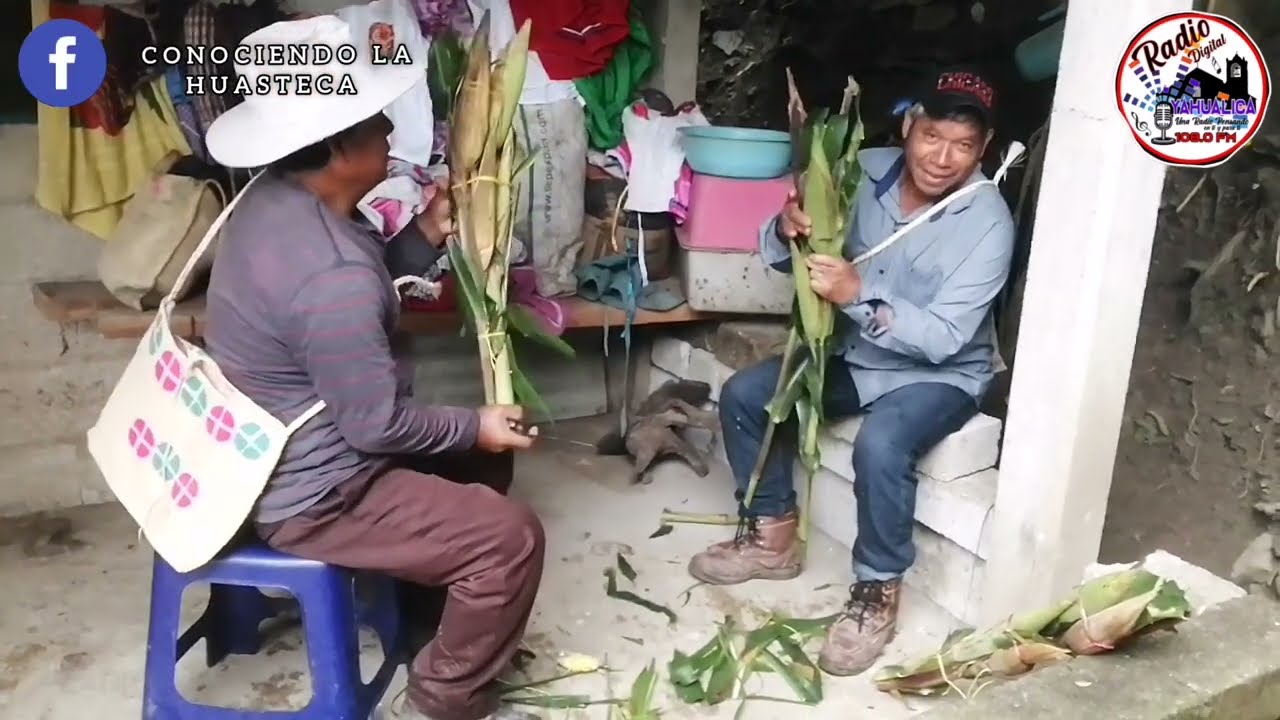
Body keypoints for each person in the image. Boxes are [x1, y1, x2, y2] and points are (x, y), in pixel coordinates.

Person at [201, 16, 541, 720]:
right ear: (337, 148)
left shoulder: (276, 204)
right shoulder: (326, 272)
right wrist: (474, 423)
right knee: (511, 539)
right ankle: (445, 694)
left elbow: (346, 298)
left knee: (485, 472)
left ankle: (436, 627)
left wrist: (420, 237)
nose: (389, 130)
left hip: (266, 452)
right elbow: (375, 423)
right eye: (373, 119)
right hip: (312, 494)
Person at [687, 68, 1015, 677]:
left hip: (939, 374)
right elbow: (791, 252)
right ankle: (771, 536)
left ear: (984, 149)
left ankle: (877, 589)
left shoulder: (988, 223)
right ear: (909, 125)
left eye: (963, 146)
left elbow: (945, 339)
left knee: (883, 443)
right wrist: (786, 230)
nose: (942, 158)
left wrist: (857, 294)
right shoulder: (858, 169)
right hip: (857, 357)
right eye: (932, 136)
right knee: (746, 395)